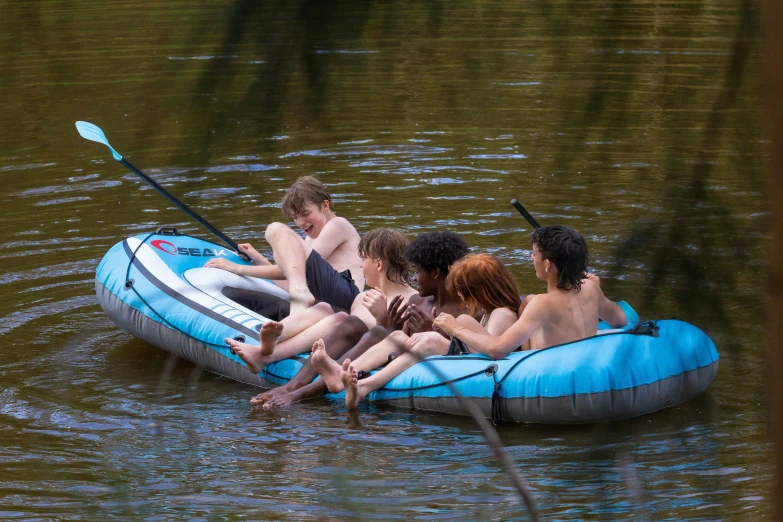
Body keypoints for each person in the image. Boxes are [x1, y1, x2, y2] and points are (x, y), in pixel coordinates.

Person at [260, 230, 471, 408]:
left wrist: (430, 330)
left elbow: (463, 350)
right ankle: (298, 386)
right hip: (400, 356)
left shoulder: (468, 308)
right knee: (369, 328)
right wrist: (390, 323)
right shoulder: (418, 301)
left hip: (435, 364)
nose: (414, 278)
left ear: (435, 273)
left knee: (368, 328)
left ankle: (304, 392)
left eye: (418, 271)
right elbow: (398, 338)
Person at [320, 253, 521, 409]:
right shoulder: (489, 312)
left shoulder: (503, 313)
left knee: (433, 339)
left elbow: (491, 352)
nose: (460, 294)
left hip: (478, 363)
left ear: (482, 289)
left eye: (465, 289)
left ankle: (363, 387)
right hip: (468, 355)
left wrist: (457, 328)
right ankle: (341, 375)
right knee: (398, 336)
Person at [225, 228, 417, 375]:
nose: (360, 265)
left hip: (356, 354)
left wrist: (382, 317)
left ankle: (266, 353)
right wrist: (259, 259)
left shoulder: (411, 301)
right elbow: (292, 276)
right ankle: (270, 342)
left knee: (340, 317)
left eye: (364, 259)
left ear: (378, 264)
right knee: (324, 307)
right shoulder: (362, 297)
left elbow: (399, 344)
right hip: (333, 341)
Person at [432, 225, 628, 360]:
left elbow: (497, 349)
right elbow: (621, 321)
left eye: (534, 253)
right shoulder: (591, 289)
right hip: (582, 359)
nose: (531, 257)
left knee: (530, 302)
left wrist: (455, 329)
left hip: (550, 371)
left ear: (548, 265)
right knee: (528, 301)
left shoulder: (542, 304)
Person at [205, 176, 364, 315]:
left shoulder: (337, 225)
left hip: (348, 296)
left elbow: (293, 273)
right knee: (296, 279)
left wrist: (237, 268)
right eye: (295, 217)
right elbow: (291, 277)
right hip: (331, 302)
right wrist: (259, 260)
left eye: (306, 214)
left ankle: (300, 299)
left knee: (275, 229)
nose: (300, 223)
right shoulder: (310, 241)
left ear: (325, 206)